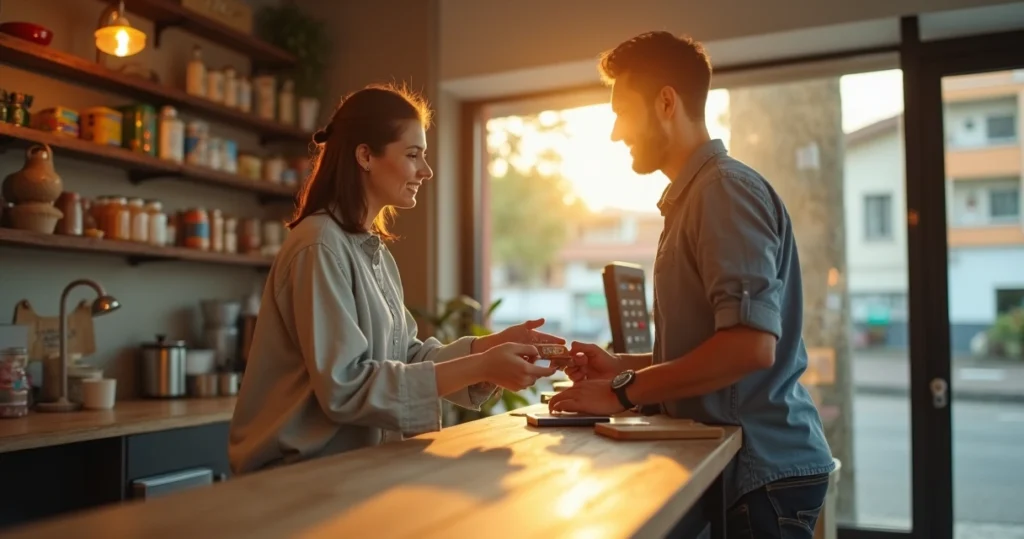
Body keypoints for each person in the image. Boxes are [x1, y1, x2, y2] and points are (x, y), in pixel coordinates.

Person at [547, 32, 836, 538]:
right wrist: (623, 367)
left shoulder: (723, 191)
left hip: (760, 471)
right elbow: (711, 349)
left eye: (622, 112)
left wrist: (623, 391)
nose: (615, 133)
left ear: (666, 103)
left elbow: (749, 347)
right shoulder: (696, 196)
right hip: (748, 469)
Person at [229, 84, 560, 474]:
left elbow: (406, 357)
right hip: (297, 476)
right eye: (413, 155)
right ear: (366, 156)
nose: (426, 170)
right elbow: (346, 385)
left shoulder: (371, 251)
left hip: (350, 471)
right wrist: (481, 366)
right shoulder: (319, 246)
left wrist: (489, 348)